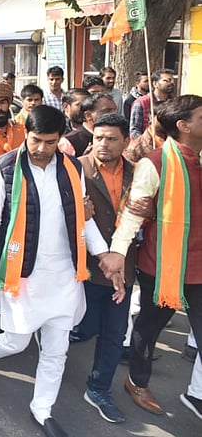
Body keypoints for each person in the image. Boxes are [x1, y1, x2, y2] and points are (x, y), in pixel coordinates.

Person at [0, 106, 121, 437]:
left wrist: (104, 255)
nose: (41, 149)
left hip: (65, 273)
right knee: (17, 341)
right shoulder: (4, 168)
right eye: (36, 140)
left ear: (59, 139)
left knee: (56, 349)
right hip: (23, 273)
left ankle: (43, 409)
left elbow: (83, 218)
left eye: (50, 142)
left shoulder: (71, 167)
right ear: (26, 134)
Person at [106, 95, 202, 419]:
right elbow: (132, 215)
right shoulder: (155, 162)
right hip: (163, 267)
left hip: (201, 268)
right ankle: (136, 381)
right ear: (183, 126)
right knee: (149, 328)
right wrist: (118, 255)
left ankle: (195, 395)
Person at [70, 114, 136, 424]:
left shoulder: (138, 173)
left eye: (111, 139)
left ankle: (98, 389)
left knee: (114, 333)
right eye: (98, 138)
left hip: (124, 267)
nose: (103, 144)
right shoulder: (75, 169)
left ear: (126, 141)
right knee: (84, 326)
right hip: (87, 265)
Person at [59, 93, 118, 157]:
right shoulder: (69, 142)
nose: (113, 115)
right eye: (107, 111)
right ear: (88, 115)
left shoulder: (120, 136)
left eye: (114, 110)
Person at [129, 68, 176, 139]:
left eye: (173, 81)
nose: (171, 83)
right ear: (155, 84)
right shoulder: (141, 102)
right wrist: (146, 143)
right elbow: (134, 130)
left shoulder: (174, 104)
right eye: (166, 80)